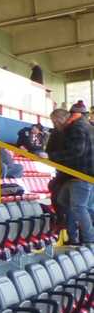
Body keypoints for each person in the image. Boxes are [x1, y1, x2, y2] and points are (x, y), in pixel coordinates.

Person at [49, 104, 94, 244]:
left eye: (54, 122)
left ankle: (89, 239)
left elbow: (76, 151)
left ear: (59, 119)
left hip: (80, 173)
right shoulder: (85, 125)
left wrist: (51, 157)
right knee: (64, 200)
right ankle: (74, 235)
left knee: (79, 207)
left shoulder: (76, 128)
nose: (55, 125)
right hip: (82, 174)